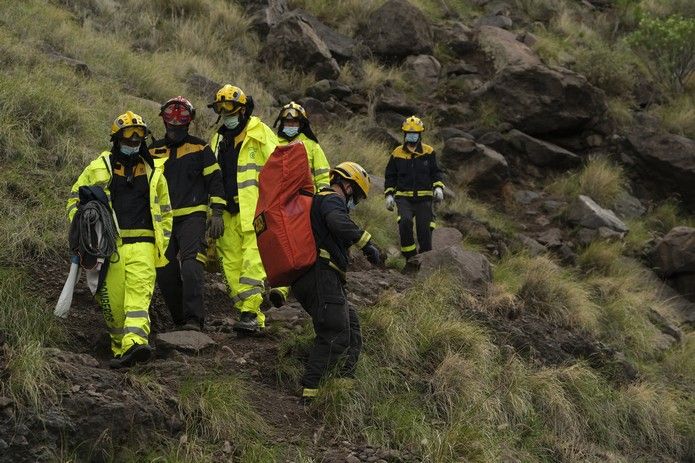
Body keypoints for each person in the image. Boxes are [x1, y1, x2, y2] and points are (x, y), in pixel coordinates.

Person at [66, 111, 173, 368]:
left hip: (144, 246)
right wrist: (83, 228)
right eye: (128, 136)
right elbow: (74, 200)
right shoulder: (98, 167)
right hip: (110, 247)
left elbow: (166, 212)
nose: (134, 140)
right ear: (117, 138)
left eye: (139, 137)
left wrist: (162, 244)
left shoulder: (153, 171)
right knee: (113, 302)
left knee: (138, 298)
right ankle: (119, 349)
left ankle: (134, 344)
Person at [292, 161, 380, 400]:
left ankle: (343, 387)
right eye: (358, 197)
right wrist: (366, 243)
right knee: (333, 334)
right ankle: (311, 395)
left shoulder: (320, 200)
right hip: (322, 275)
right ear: (349, 187)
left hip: (322, 278)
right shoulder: (331, 199)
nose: (355, 204)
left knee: (350, 328)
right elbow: (337, 222)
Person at [150, 96, 226, 331]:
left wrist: (217, 212)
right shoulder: (152, 150)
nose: (175, 126)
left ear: (189, 121)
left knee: (192, 266)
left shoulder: (200, 147)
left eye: (180, 121)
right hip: (163, 221)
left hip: (193, 216)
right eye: (170, 121)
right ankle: (179, 320)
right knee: (165, 271)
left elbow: (215, 181)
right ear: (164, 121)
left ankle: (194, 320)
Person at [208, 84, 278, 333]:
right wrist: (214, 212)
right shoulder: (217, 139)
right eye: (221, 109)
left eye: (230, 109)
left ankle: (250, 311)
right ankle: (249, 315)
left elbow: (279, 167)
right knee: (230, 264)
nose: (226, 114)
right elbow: (212, 177)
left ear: (242, 109)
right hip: (226, 214)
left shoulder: (260, 133)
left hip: (255, 210)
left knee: (252, 261)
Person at [269, 101, 332, 308]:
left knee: (299, 243)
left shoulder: (311, 146)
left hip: (303, 203)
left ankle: (291, 285)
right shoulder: (271, 142)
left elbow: (322, 175)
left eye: (294, 121)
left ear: (302, 123)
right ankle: (279, 285)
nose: (290, 124)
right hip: (276, 202)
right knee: (278, 242)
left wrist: (322, 199)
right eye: (287, 121)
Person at [384, 116, 444, 259]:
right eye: (409, 134)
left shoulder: (428, 152)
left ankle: (425, 259)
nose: (411, 136)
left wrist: (438, 187)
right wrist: (389, 195)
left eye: (415, 134)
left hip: (424, 198)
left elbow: (436, 172)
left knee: (425, 229)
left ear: (420, 134)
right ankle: (410, 258)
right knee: (405, 222)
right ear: (404, 134)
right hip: (404, 198)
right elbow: (390, 176)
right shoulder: (397, 153)